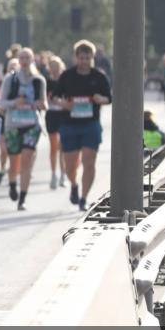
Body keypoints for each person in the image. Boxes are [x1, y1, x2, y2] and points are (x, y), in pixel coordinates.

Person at [54, 40, 112, 212]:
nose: (84, 61)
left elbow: (109, 98)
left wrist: (101, 100)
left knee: (89, 162)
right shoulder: (67, 76)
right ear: (75, 58)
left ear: (92, 58)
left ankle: (84, 198)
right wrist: (64, 104)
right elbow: (55, 97)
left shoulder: (99, 77)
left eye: (87, 58)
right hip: (69, 124)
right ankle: (73, 184)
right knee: (70, 165)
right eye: (81, 58)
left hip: (90, 124)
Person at [0, 48, 47, 211]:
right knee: (14, 163)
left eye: (28, 58)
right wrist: (15, 103)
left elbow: (44, 104)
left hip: (32, 125)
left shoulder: (39, 80)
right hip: (13, 125)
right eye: (22, 58)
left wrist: (40, 104)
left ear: (33, 60)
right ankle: (12, 184)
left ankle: (22, 199)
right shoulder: (10, 80)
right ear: (18, 60)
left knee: (26, 160)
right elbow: (1, 104)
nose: (25, 61)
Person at [0, 58, 20, 187]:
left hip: (19, 119)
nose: (13, 69)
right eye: (11, 67)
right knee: (3, 150)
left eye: (16, 67)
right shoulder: (3, 82)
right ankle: (3, 169)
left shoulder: (23, 82)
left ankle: (13, 171)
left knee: (14, 150)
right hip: (4, 118)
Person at [44, 55, 68, 189]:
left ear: (61, 68)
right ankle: (53, 174)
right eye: (52, 67)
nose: (54, 70)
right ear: (49, 69)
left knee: (63, 147)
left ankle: (63, 175)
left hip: (63, 114)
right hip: (52, 114)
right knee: (53, 146)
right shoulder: (46, 82)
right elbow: (44, 98)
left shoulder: (65, 81)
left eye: (56, 67)